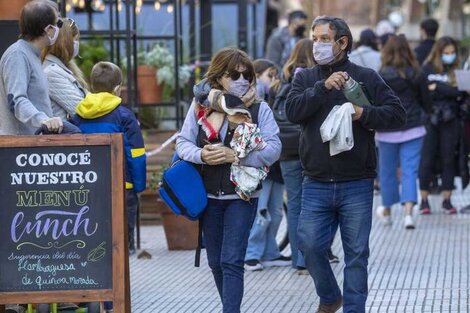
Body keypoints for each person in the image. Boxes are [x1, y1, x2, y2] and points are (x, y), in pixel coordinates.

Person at [286, 16, 405, 312]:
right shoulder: (305, 78)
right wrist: (322, 88)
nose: (318, 45)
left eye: (324, 39)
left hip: (357, 182)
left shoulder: (366, 76)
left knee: (356, 255)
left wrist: (362, 114)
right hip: (315, 181)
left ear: (343, 43)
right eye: (315, 38)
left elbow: (397, 114)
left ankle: (354, 308)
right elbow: (292, 112)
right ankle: (329, 296)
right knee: (309, 246)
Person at [176, 47, 281, 313]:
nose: (243, 80)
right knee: (216, 262)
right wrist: (202, 154)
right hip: (208, 195)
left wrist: (235, 155)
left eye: (248, 75)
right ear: (220, 77)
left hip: (242, 196)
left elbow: (273, 149)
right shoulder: (202, 107)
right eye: (235, 75)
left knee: (232, 260)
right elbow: (182, 142)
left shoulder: (259, 109)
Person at [375, 35, 432, 229]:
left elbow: (376, 102)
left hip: (387, 129)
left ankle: (388, 210)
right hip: (414, 128)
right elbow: (426, 102)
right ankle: (408, 214)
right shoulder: (416, 73)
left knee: (387, 171)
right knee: (410, 171)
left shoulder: (381, 74)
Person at [244, 58, 288, 271]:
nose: (274, 80)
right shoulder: (255, 101)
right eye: (269, 75)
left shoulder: (275, 96)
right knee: (261, 210)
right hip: (262, 165)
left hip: (277, 162)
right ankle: (252, 253)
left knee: (276, 210)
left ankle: (270, 251)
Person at [0, 0, 63, 136]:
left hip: (32, 146)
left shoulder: (31, 54)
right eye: (58, 23)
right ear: (48, 29)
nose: (59, 28)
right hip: (18, 149)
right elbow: (17, 100)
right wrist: (44, 120)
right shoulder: (17, 55)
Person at [419, 36, 465, 215]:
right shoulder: (426, 68)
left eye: (452, 53)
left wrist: (437, 86)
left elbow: (459, 92)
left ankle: (447, 199)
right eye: (446, 53)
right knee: (427, 159)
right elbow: (422, 91)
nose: (450, 56)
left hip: (450, 120)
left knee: (448, 159)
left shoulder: (456, 70)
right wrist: (447, 90)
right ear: (439, 53)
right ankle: (424, 200)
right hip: (430, 119)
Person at [42, 17, 88, 121]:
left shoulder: (64, 68)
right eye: (75, 40)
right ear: (65, 42)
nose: (77, 44)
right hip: (63, 136)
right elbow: (81, 109)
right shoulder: (51, 72)